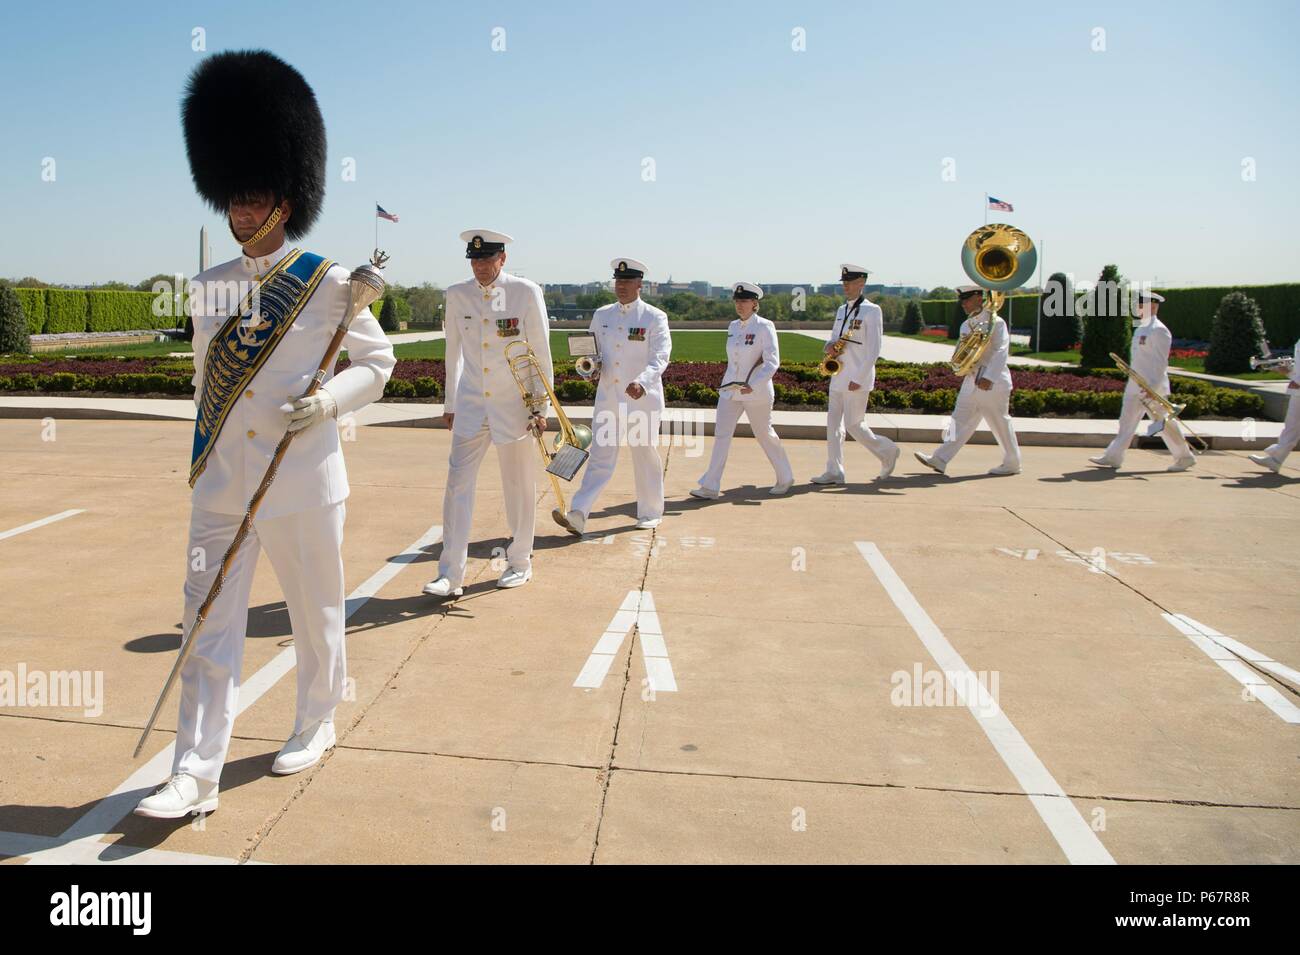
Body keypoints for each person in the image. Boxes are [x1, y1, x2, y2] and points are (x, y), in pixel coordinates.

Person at [135, 50, 396, 819]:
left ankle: (315, 719)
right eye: (232, 200)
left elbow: (377, 364)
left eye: (253, 199)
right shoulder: (208, 287)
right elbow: (204, 385)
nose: (241, 214)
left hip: (304, 478)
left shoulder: (327, 280)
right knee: (207, 620)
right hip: (222, 483)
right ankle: (194, 771)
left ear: (285, 197)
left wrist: (331, 402)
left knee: (315, 611)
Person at [423, 230, 553, 597]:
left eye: (487, 260)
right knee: (457, 486)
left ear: (502, 259)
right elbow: (454, 352)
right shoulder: (457, 294)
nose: (480, 267)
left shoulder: (525, 293)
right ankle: (450, 574)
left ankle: (520, 561)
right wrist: (450, 402)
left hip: (514, 404)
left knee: (518, 486)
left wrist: (540, 405)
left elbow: (539, 352)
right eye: (475, 261)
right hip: (470, 404)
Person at [558, 258, 671, 534]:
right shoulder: (602, 315)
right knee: (600, 457)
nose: (621, 286)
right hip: (608, 398)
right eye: (618, 281)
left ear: (639, 284)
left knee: (644, 454)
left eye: (627, 281)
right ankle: (578, 513)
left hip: (642, 400)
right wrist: (591, 369)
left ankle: (650, 511)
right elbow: (593, 353)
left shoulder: (654, 317)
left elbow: (660, 358)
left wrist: (642, 382)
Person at [690, 282, 793, 498]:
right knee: (721, 435)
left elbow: (772, 362)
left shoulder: (765, 326)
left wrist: (753, 384)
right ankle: (710, 485)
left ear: (755, 303)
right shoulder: (733, 326)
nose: (739, 305)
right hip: (730, 391)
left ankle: (785, 476)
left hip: (756, 392)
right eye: (737, 301)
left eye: (744, 301)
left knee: (764, 434)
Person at [915, 285, 1022, 476]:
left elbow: (1001, 351)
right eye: (961, 300)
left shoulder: (995, 322)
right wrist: (961, 366)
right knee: (958, 420)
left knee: (999, 423)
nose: (963, 304)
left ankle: (1012, 462)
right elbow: (960, 351)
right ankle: (940, 458)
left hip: (992, 382)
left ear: (979, 298)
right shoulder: (967, 324)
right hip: (971, 379)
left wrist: (989, 377)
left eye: (966, 299)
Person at [811, 264, 900, 484]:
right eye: (844, 283)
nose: (846, 287)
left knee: (854, 425)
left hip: (857, 379)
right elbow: (832, 338)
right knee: (833, 426)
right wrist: (829, 347)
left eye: (850, 283)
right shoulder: (842, 310)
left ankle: (887, 450)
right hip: (838, 375)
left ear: (862, 283)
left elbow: (874, 349)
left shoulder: (872, 310)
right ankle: (834, 470)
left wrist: (858, 379)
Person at [1089, 290, 1195, 472]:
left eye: (1141, 305)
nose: (1137, 309)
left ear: (1153, 306)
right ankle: (1113, 456)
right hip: (1135, 384)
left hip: (1152, 387)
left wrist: (1152, 386)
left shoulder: (1159, 330)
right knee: (1126, 421)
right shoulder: (1141, 328)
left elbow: (1161, 362)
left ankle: (1184, 457)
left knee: (1165, 424)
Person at [1249, 339, 1299, 473]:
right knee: (1291, 427)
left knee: (1292, 427)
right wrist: (1288, 371)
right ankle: (1276, 459)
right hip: (1297, 391)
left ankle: (1276, 456)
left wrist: (1296, 380)